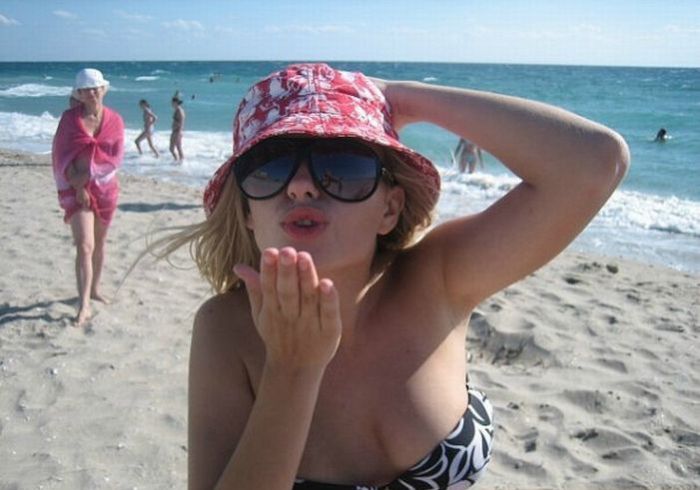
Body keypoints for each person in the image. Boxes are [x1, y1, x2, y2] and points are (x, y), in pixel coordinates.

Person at [154, 63, 628, 488]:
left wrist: (400, 98)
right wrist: (292, 370)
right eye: (269, 167)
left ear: (390, 208)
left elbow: (596, 162)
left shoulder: (438, 277)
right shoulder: (226, 330)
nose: (300, 185)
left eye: (341, 165)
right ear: (247, 213)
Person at [52, 68, 124, 327]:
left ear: (103, 90)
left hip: (105, 189)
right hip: (75, 191)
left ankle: (94, 290)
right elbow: (61, 154)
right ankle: (83, 304)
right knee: (85, 246)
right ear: (79, 94)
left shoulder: (115, 120)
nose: (91, 93)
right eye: (85, 89)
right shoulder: (69, 119)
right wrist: (78, 186)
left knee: (99, 244)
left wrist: (89, 178)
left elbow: (114, 159)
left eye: (95, 88)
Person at [170, 94, 185, 162]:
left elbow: (181, 122)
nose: (171, 104)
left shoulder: (179, 111)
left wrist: (178, 132)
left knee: (172, 148)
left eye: (172, 103)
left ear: (175, 103)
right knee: (178, 148)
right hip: (176, 131)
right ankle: (179, 162)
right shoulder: (177, 110)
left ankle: (177, 161)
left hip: (177, 131)